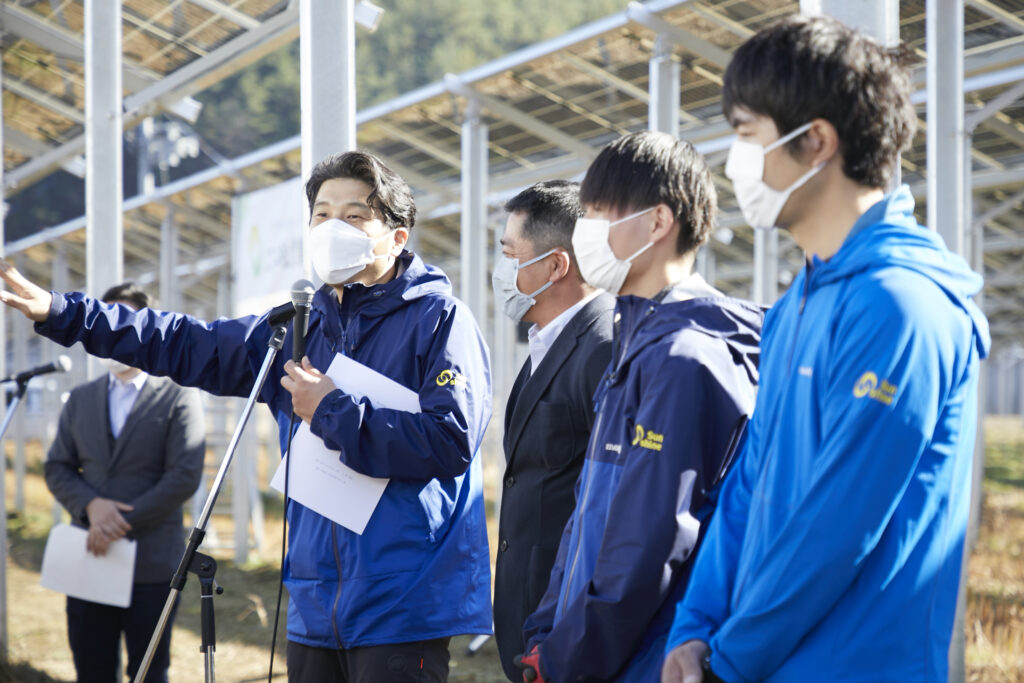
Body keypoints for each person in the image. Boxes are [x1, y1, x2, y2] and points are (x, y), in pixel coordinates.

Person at [3, 151, 493, 683]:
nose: (333, 228)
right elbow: (185, 341)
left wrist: (331, 410)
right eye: (322, 214)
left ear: (397, 237)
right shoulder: (296, 326)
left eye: (354, 216)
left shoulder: (439, 320)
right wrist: (66, 312)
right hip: (313, 599)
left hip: (401, 599)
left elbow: (450, 440)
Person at [662, 15, 990, 683]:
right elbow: (747, 484)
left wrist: (727, 659)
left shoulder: (902, 308)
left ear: (815, 141)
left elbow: (838, 523)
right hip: (755, 659)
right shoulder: (796, 306)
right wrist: (694, 628)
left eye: (746, 136)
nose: (736, 163)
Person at [516, 131, 763, 683]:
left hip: (642, 658)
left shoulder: (683, 360)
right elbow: (588, 516)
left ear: (657, 222)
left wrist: (565, 657)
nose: (586, 231)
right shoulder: (637, 343)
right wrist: (546, 628)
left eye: (600, 212)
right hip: (592, 652)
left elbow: (650, 542)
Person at [44, 282, 206, 683]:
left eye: (124, 322)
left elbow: (184, 475)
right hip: (91, 554)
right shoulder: (80, 398)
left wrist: (118, 522)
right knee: (91, 667)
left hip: (151, 562)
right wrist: (92, 507)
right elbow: (57, 466)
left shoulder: (176, 397)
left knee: (150, 669)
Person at [491, 180, 614, 680]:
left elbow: (608, 502)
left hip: (564, 619)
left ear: (556, 265)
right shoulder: (546, 342)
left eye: (508, 253)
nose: (500, 270)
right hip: (532, 613)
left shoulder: (603, 345)